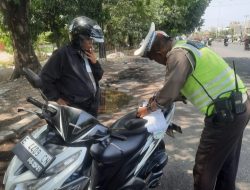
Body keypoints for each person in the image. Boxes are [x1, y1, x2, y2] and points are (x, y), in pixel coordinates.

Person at [135, 22, 250, 190]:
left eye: (153, 58)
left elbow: (169, 90)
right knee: (227, 165)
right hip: (240, 106)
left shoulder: (177, 55)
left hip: (225, 116)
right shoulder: (187, 46)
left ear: (158, 52)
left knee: (204, 171)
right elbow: (186, 86)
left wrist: (148, 109)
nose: (158, 62)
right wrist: (162, 98)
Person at [40, 16, 104, 117]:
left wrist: (95, 63)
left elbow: (99, 76)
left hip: (91, 106)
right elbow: (44, 78)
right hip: (75, 110)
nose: (91, 43)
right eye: (88, 39)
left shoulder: (87, 54)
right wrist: (57, 98)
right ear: (78, 39)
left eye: (92, 40)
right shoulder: (62, 54)